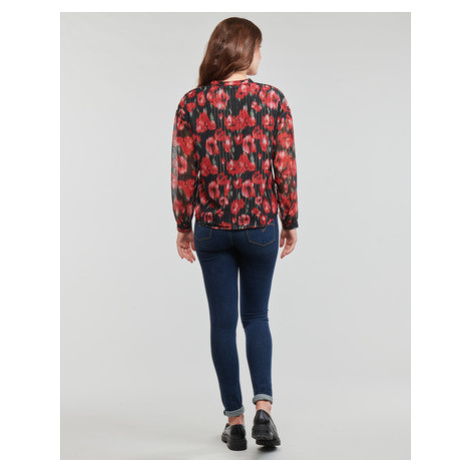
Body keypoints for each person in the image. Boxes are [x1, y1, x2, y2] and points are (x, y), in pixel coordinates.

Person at [171, 17, 298, 451]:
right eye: (259, 48)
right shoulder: (273, 100)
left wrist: (182, 225)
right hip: (260, 226)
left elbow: (183, 171)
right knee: (256, 317)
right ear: (245, 50)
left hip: (212, 229)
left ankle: (236, 422)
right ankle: (264, 410)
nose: (261, 56)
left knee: (222, 324)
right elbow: (285, 166)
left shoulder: (191, 103)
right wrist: (291, 220)